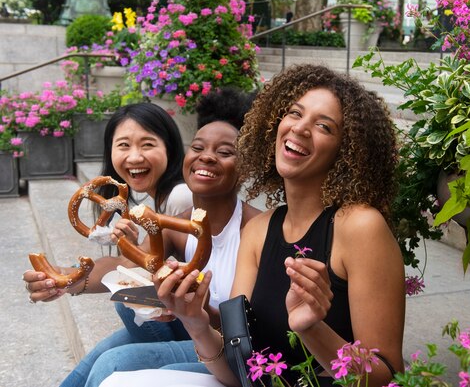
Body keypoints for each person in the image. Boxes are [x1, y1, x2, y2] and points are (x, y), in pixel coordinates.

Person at [101, 64, 406, 387]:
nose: (300, 128)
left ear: (346, 153)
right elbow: (238, 368)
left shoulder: (359, 226)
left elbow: (387, 374)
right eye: (294, 113)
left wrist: (311, 328)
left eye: (324, 127)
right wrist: (197, 321)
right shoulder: (259, 230)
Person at [73, 88, 260, 387]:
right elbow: (126, 265)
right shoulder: (179, 222)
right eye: (198, 148)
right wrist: (66, 280)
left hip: (238, 350)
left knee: (116, 361)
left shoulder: (257, 229)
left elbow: (247, 330)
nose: (207, 157)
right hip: (198, 327)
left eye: (225, 152)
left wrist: (194, 310)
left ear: (246, 165)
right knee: (108, 348)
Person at [22, 102, 193, 386]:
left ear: (170, 148)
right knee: (98, 356)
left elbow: (135, 275)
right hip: (182, 321)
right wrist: (62, 279)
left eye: (147, 144)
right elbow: (124, 266)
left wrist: (130, 257)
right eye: (123, 145)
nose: (134, 156)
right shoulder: (150, 202)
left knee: (114, 349)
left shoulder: (180, 199)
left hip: (204, 329)